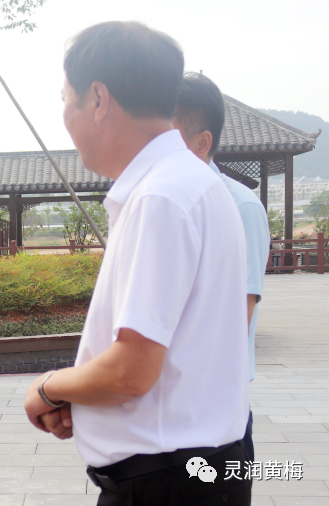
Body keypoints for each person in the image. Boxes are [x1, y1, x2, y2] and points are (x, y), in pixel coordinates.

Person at [23, 22, 252, 505]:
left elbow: (131, 371)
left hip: (164, 485)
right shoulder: (193, 182)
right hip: (199, 472)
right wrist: (83, 395)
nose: (65, 115)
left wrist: (47, 387)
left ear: (98, 99)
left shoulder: (159, 198)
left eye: (66, 99)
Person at [173, 72, 270, 461]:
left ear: (202, 142)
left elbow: (235, 320)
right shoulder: (169, 205)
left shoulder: (240, 206)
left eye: (165, 137)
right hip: (168, 413)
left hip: (214, 412)